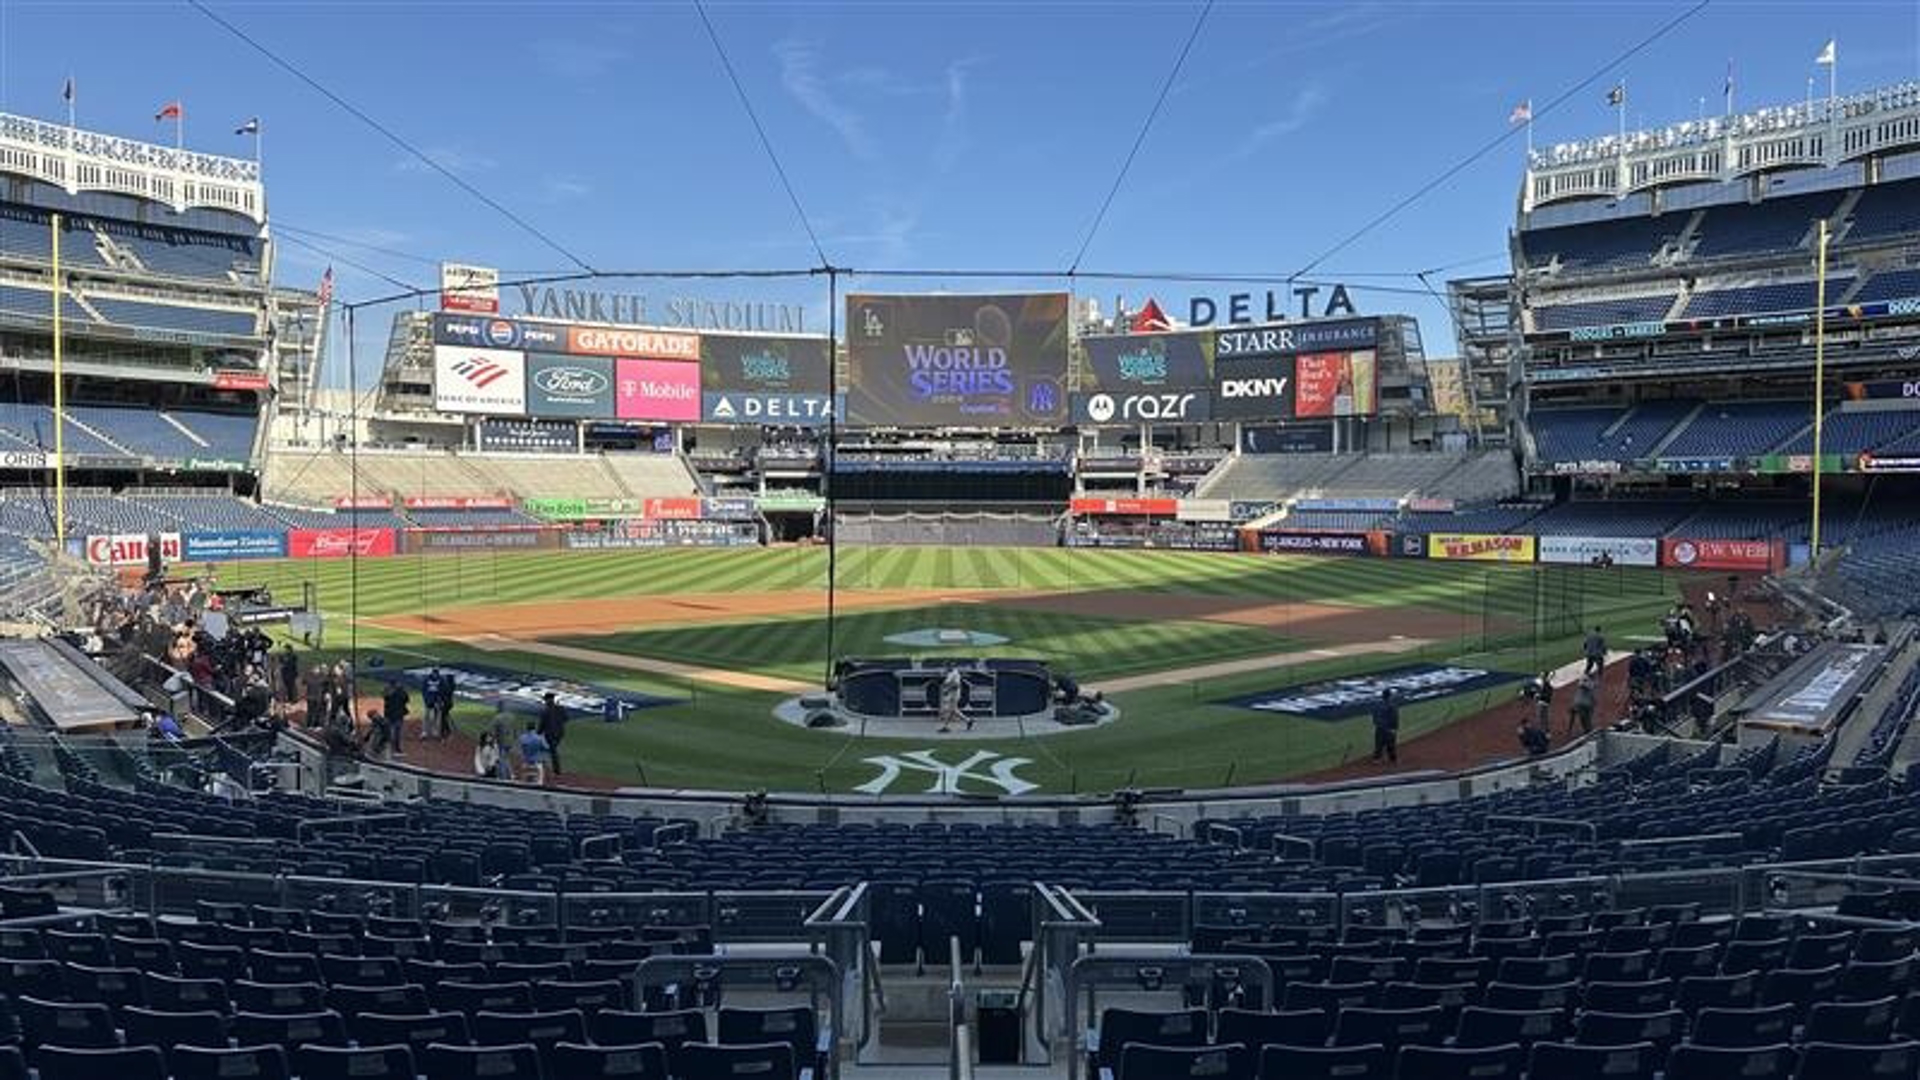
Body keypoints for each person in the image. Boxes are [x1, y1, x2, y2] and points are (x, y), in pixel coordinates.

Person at [537, 693, 567, 776]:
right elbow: (566, 719)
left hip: (550, 734)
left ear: (548, 700)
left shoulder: (545, 710)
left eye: (546, 700)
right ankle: (553, 768)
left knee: (552, 752)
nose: (545, 701)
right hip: (560, 733)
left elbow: (542, 724)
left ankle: (556, 771)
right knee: (552, 750)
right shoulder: (561, 708)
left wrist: (537, 733)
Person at [381, 680, 410, 757]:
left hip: (390, 715)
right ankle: (396, 749)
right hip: (397, 715)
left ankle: (389, 749)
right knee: (395, 733)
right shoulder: (400, 691)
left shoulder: (387, 691)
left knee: (389, 732)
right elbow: (406, 699)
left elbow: (385, 697)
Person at [1371, 688, 1399, 764]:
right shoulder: (1391, 705)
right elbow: (1394, 717)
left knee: (1379, 744)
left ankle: (1376, 759)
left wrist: (1376, 724)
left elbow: (1374, 715)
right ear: (1389, 696)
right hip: (1388, 728)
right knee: (1390, 744)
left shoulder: (1377, 704)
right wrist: (1394, 728)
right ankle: (1392, 759)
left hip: (1379, 727)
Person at [937, 667, 965, 734]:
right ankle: (968, 721)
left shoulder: (955, 673)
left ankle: (946, 727)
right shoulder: (950, 673)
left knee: (950, 710)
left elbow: (956, 685)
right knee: (954, 710)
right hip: (950, 694)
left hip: (954, 694)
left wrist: (947, 690)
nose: (946, 668)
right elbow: (946, 682)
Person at [490, 711, 516, 781]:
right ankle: (510, 774)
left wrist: (493, 741)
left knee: (501, 759)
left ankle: (503, 776)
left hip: (502, 742)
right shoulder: (511, 717)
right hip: (510, 742)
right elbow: (514, 730)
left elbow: (494, 732)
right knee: (506, 758)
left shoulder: (497, 719)